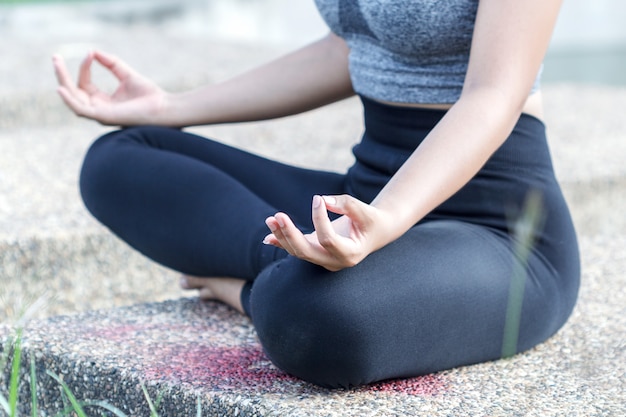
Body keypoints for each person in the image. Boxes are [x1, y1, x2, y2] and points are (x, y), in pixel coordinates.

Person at [52, 0, 580, 389]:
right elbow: (347, 47)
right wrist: (169, 107)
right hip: (365, 196)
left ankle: (256, 285)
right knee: (121, 157)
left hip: (498, 231)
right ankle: (285, 259)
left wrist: (387, 218)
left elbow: (494, 93)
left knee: (312, 318)